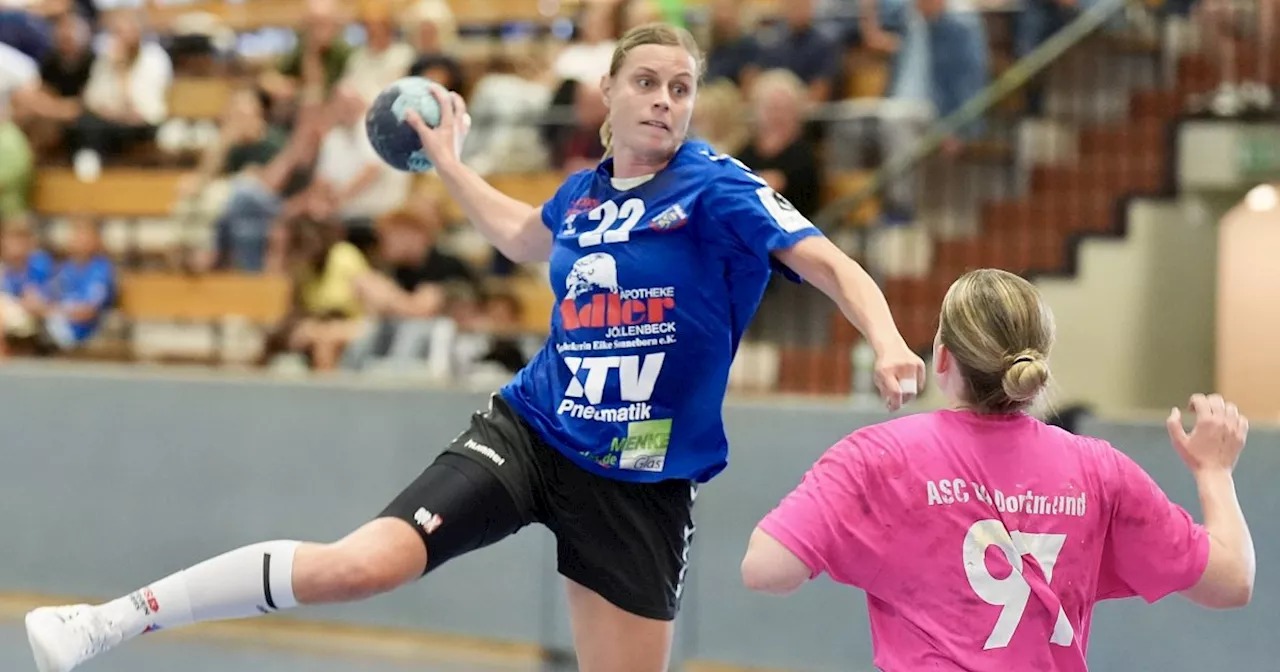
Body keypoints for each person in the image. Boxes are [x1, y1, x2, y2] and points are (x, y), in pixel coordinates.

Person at [24, 22, 926, 672]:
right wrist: (451, 165)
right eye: (646, 81)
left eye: (679, 87)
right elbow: (522, 236)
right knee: (360, 565)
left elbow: (833, 265)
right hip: (533, 430)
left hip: (643, 482)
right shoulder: (580, 195)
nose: (663, 99)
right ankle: (109, 621)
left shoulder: (717, 189)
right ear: (608, 94)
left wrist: (886, 339)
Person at [740, 269, 1255, 671]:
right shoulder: (1098, 469)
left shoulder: (878, 455)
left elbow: (766, 570)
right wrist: (1213, 472)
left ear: (942, 357)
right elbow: (1232, 582)